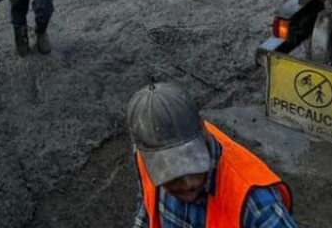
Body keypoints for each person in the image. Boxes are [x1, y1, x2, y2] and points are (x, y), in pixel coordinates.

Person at [127, 83, 297, 228]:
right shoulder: (145, 156)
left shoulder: (256, 203)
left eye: (192, 163)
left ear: (204, 131)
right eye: (171, 171)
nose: (188, 184)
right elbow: (147, 208)